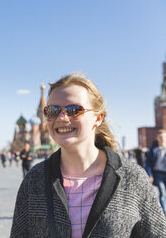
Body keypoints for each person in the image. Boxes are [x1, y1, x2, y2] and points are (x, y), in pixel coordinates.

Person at [11, 73, 166, 238]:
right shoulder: (35, 179)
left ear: (98, 118)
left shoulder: (132, 178)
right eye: (53, 110)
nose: (62, 118)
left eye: (74, 110)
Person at [145, 129, 166, 214]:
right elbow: (148, 162)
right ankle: (164, 213)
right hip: (158, 173)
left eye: (164, 137)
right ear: (157, 138)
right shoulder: (154, 149)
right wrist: (150, 175)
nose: (162, 139)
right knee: (162, 193)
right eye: (160, 137)